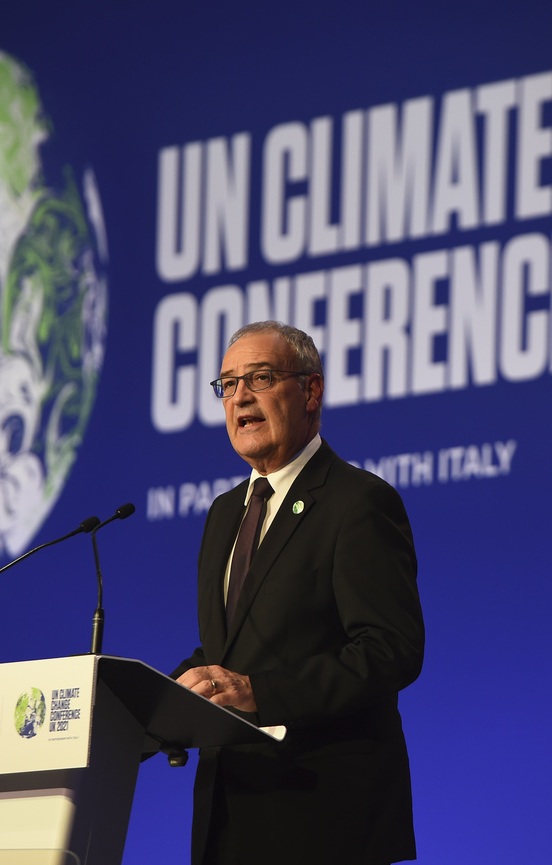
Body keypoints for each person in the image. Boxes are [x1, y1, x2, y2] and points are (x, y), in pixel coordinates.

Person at [172, 321, 424, 865]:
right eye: (228, 384)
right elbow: (228, 655)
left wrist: (259, 694)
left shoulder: (357, 502)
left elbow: (389, 650)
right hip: (230, 819)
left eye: (259, 378)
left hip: (324, 820)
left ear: (311, 391)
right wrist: (153, 706)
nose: (240, 397)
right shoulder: (223, 513)